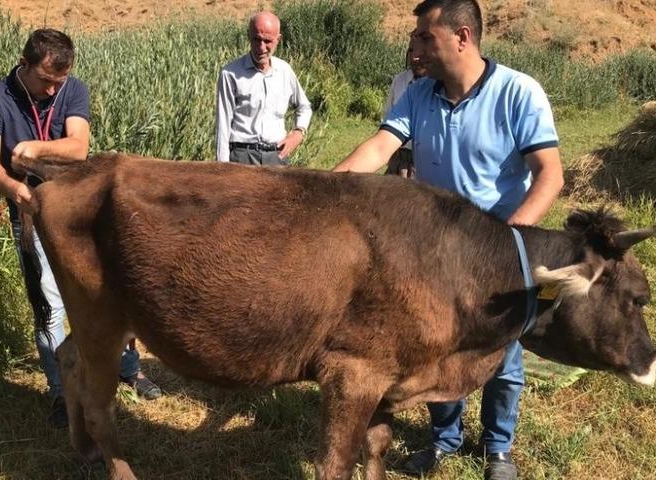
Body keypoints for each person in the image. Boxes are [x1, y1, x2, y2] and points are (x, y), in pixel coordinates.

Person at [333, 1, 564, 479]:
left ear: (462, 37)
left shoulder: (517, 92)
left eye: (424, 37)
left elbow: (550, 175)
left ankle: (497, 448)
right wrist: (322, 188)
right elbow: (380, 147)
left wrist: (509, 244)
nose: (415, 47)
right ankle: (445, 438)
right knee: (436, 353)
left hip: (496, 255)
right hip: (434, 256)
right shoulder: (419, 96)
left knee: (502, 357)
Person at [0, 29, 161, 428]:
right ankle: (61, 388)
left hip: (82, 211)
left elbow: (78, 146)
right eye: (46, 80)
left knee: (109, 289)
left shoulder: (71, 89)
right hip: (30, 211)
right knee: (50, 301)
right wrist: (12, 186)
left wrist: (35, 149)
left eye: (60, 81)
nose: (53, 89)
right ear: (24, 65)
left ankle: (129, 368)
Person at [216, 11, 313, 165]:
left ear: (278, 40)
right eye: (256, 39)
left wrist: (298, 133)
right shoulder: (230, 73)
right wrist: (222, 169)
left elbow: (304, 107)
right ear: (248, 36)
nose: (261, 47)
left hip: (276, 157)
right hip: (242, 158)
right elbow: (223, 125)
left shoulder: (284, 71)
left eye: (267, 41)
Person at [383, 43, 428, 177]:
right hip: (398, 154)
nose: (414, 57)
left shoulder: (438, 86)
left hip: (422, 161)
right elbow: (387, 115)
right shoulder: (400, 80)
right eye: (411, 50)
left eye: (420, 52)